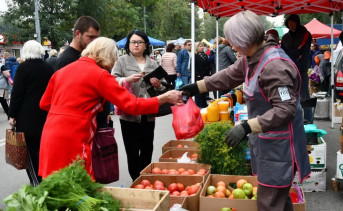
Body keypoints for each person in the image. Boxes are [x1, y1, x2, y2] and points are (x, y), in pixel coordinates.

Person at [180, 10, 310, 211]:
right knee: (279, 200)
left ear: (245, 39)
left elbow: (286, 109)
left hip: (280, 148)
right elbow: (229, 75)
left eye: (233, 41)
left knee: (269, 202)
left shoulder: (274, 66)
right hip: (269, 143)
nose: (231, 45)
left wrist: (247, 126)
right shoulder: (252, 56)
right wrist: (198, 86)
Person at [38, 37, 182, 179]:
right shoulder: (100, 75)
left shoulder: (62, 71)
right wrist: (163, 98)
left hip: (50, 132)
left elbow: (44, 104)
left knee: (54, 185)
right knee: (76, 184)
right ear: (108, 55)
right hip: (74, 134)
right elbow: (131, 105)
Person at [112, 30, 175, 181]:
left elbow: (163, 87)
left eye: (139, 42)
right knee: (132, 151)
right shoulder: (121, 61)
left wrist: (158, 85)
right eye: (133, 42)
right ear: (128, 44)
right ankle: (136, 180)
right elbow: (112, 80)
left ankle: (145, 178)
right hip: (129, 113)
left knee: (147, 148)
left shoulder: (153, 63)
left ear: (145, 45)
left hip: (148, 112)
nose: (136, 45)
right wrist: (126, 80)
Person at [8, 40, 54, 186]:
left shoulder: (23, 68)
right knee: (43, 151)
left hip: (27, 118)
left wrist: (12, 115)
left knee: (31, 154)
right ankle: (47, 179)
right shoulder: (48, 67)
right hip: (46, 116)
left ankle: (37, 183)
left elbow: (17, 94)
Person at [281, 14, 312, 123]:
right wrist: (296, 53)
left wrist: (294, 53)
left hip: (301, 69)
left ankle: (308, 121)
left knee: (304, 96)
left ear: (297, 22)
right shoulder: (285, 38)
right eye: (289, 23)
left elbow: (303, 50)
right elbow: (283, 53)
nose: (291, 25)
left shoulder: (305, 34)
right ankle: (292, 121)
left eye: (293, 22)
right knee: (288, 97)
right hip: (288, 70)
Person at [194, 42, 211, 108]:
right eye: (200, 46)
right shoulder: (195, 55)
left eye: (202, 46)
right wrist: (197, 74)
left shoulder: (205, 55)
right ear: (197, 47)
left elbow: (208, 64)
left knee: (204, 90)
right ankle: (198, 104)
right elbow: (194, 66)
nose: (202, 47)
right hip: (198, 75)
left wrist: (208, 71)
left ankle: (204, 103)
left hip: (205, 74)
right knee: (198, 91)